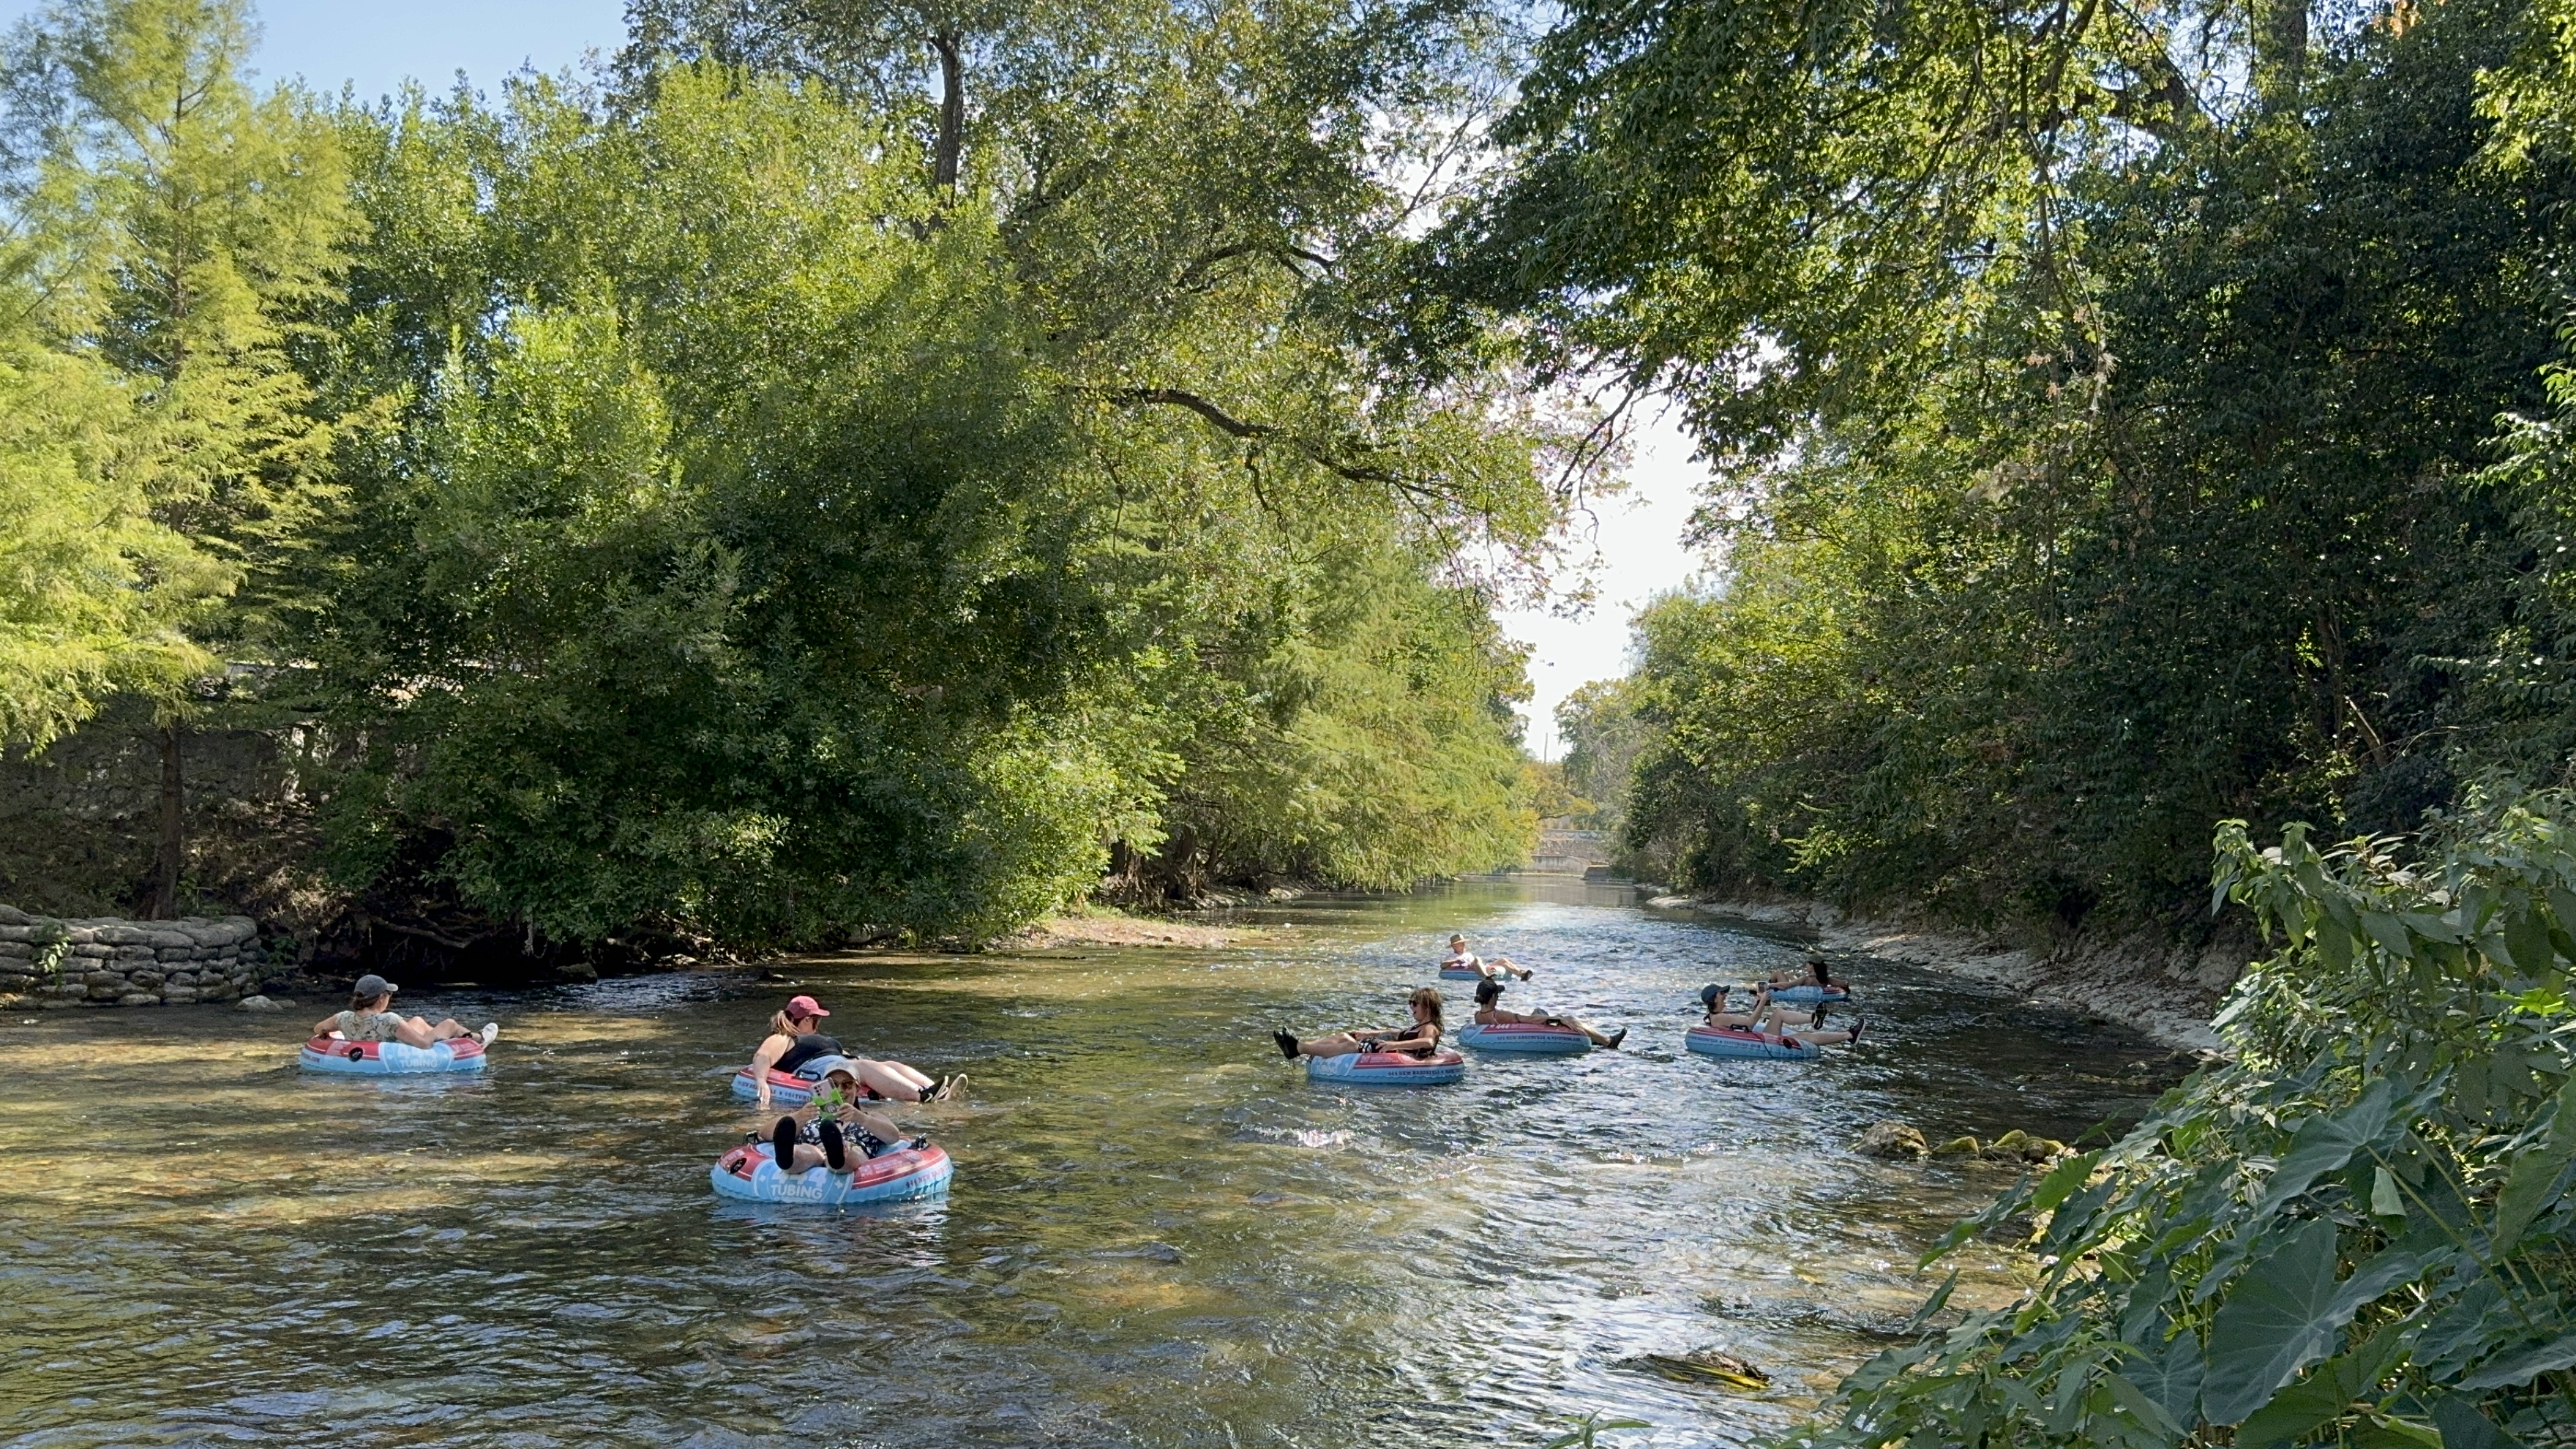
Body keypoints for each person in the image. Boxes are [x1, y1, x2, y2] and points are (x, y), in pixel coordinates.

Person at [746, 995, 964, 1109]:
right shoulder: (785, 1037)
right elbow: (762, 1056)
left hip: (841, 1062)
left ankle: (936, 1090)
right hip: (817, 1068)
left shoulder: (820, 1040)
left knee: (889, 1064)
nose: (818, 1024)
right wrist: (762, 1082)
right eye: (816, 1020)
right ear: (807, 1020)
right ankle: (920, 1095)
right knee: (859, 1066)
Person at [764, 1061, 930, 1174]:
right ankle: (788, 1157)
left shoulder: (869, 1116)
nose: (840, 1091)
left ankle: (838, 1153)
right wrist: (798, 1116)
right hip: (814, 1147)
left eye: (847, 1084)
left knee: (852, 1151)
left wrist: (861, 1118)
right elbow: (766, 1133)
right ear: (824, 1087)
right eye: (833, 1085)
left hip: (854, 1149)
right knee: (808, 1152)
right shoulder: (810, 1115)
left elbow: (893, 1136)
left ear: (858, 1089)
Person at [313, 974, 496, 1049]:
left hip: (366, 1044)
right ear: (381, 999)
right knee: (449, 1024)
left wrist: (327, 1035)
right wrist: (435, 1037)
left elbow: (318, 1029)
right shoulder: (389, 1020)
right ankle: (479, 1039)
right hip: (397, 1051)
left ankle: (457, 1038)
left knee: (417, 1020)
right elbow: (424, 1045)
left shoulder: (342, 1018)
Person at [1273, 987, 1448, 1060]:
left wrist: (1393, 1045)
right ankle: (1299, 1046)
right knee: (1345, 1036)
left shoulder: (1429, 1028)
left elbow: (1428, 1043)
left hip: (1384, 1051)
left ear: (1428, 1006)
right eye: (1410, 1003)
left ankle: (1298, 1049)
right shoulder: (1416, 1027)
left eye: (1415, 1003)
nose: (1411, 1006)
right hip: (1378, 1045)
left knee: (1350, 1045)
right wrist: (1367, 1033)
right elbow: (1392, 1031)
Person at [1472, 978, 1625, 1047]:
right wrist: (1557, 1020)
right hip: (1530, 1031)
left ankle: (1594, 1039)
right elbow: (1529, 1020)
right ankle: (1608, 1041)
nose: (1499, 997)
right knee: (1568, 1018)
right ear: (1493, 997)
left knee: (1540, 1011)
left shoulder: (1478, 1017)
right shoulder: (1500, 1015)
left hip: (1508, 1034)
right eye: (1498, 995)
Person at [1699, 983, 1865, 1045]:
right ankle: (1848, 1035)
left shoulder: (1718, 1016)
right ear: (1714, 999)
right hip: (1760, 1041)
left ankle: (1815, 1019)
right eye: (1722, 994)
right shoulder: (1719, 1017)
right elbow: (1750, 1023)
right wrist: (1763, 1000)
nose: (1725, 995)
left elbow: (1746, 1022)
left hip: (1758, 1037)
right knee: (1802, 1035)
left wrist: (1759, 1002)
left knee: (1783, 1018)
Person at [1762, 952, 1852, 995]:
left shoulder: (1806, 979)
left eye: (1807, 964)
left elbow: (1787, 986)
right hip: (1813, 989)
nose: (1806, 965)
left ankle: (1764, 989)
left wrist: (1770, 985)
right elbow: (1844, 984)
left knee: (1779, 972)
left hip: (1795, 989)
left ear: (1812, 965)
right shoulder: (1826, 979)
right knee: (1789, 975)